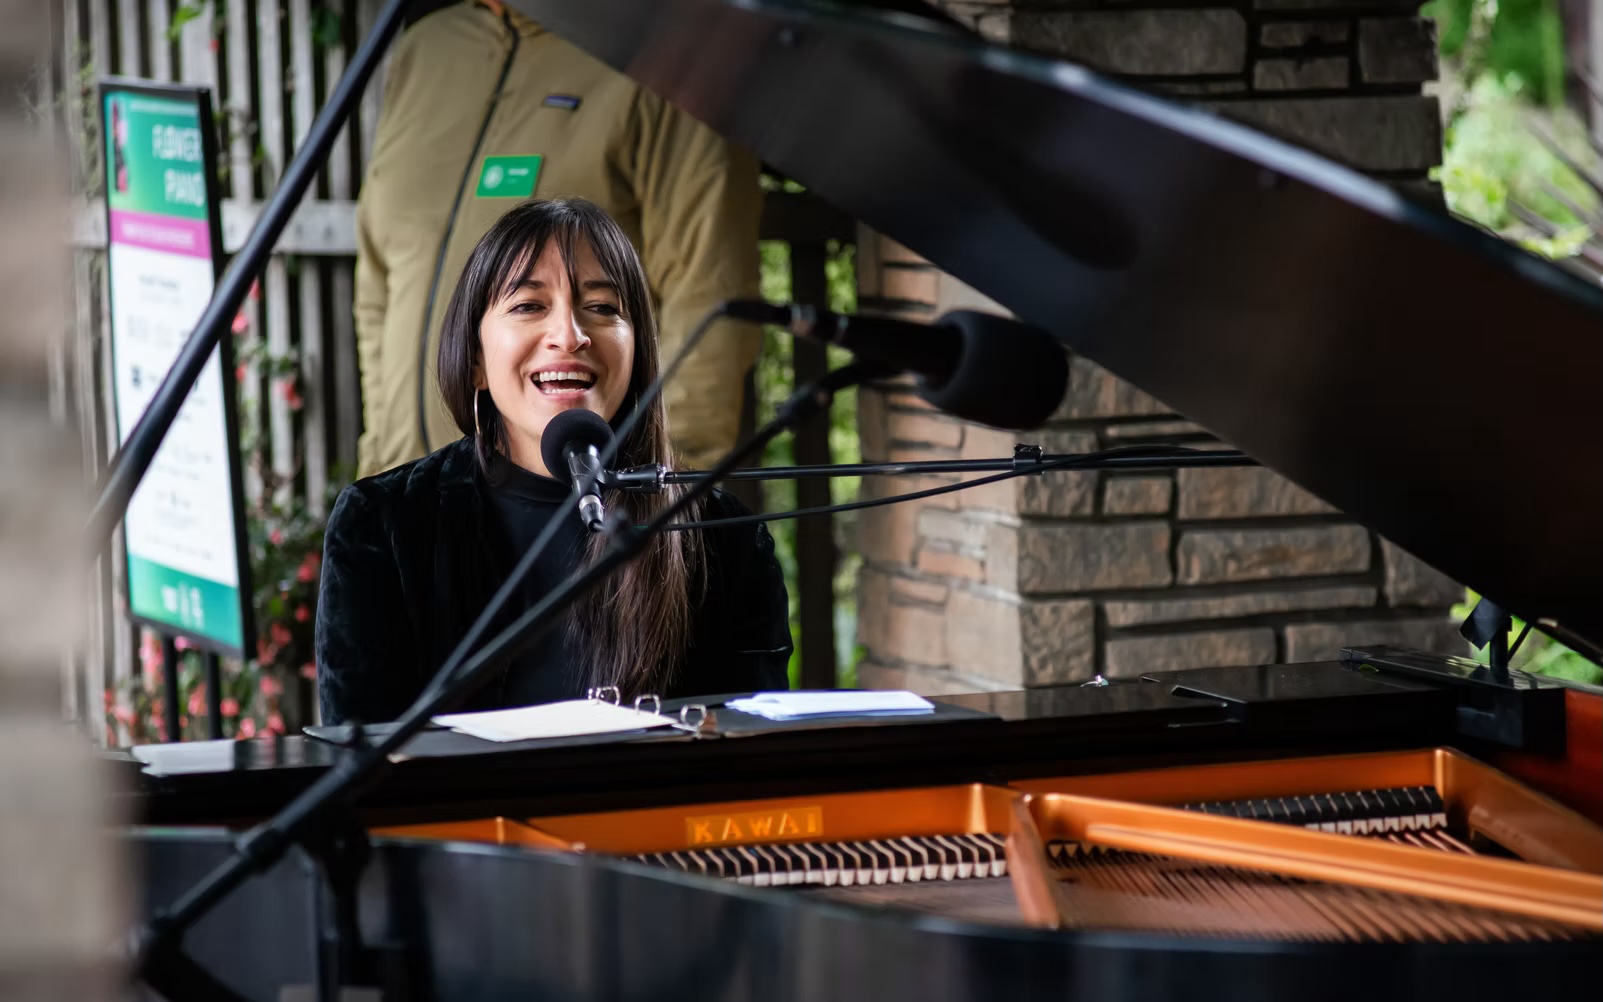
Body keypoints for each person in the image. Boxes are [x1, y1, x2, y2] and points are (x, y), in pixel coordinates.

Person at [317, 198, 790, 725]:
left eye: (604, 307)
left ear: (638, 355)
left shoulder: (724, 538)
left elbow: (751, 767)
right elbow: (360, 768)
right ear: (475, 359)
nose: (569, 334)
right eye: (529, 305)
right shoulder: (384, 526)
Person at [353, 0, 763, 480]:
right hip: (418, 500)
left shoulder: (669, 54)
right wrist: (381, 456)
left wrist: (663, 498)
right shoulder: (427, 48)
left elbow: (710, 294)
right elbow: (378, 282)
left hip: (584, 515)